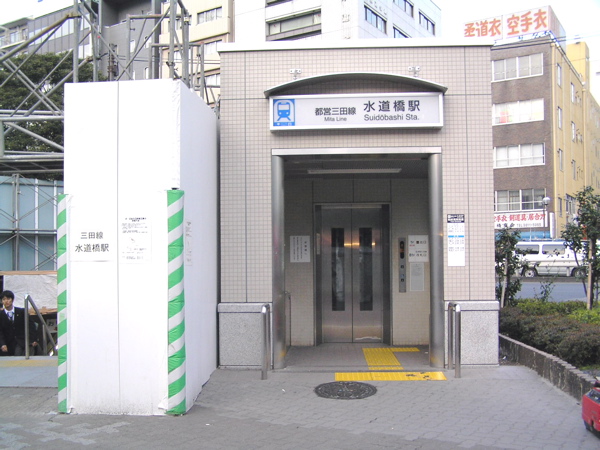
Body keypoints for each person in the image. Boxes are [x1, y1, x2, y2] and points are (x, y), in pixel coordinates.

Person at [0, 290, 39, 356]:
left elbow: (31, 326)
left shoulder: (21, 312)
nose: (6, 301)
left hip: (22, 342)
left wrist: (33, 339)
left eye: (8, 299)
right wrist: (2, 344)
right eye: (4, 299)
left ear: (12, 300)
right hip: (7, 344)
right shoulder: (1, 315)